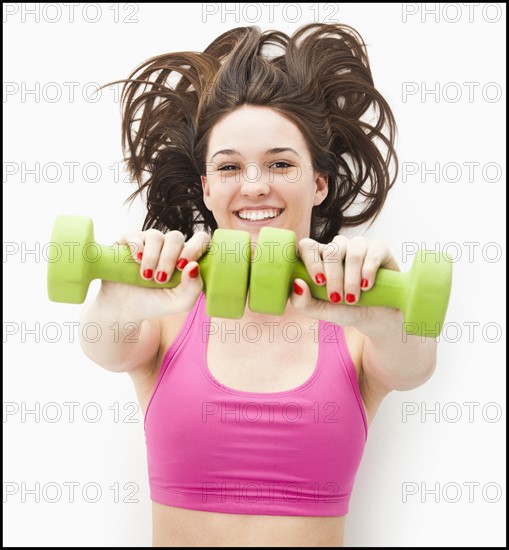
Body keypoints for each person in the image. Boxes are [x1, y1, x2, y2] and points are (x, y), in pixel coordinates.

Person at [79, 23, 438, 547]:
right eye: (229, 166)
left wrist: (383, 314)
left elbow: (415, 367)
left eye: (280, 163)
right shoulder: (168, 306)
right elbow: (104, 348)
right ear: (206, 186)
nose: (254, 184)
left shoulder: (357, 320)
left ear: (318, 184)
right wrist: (115, 299)